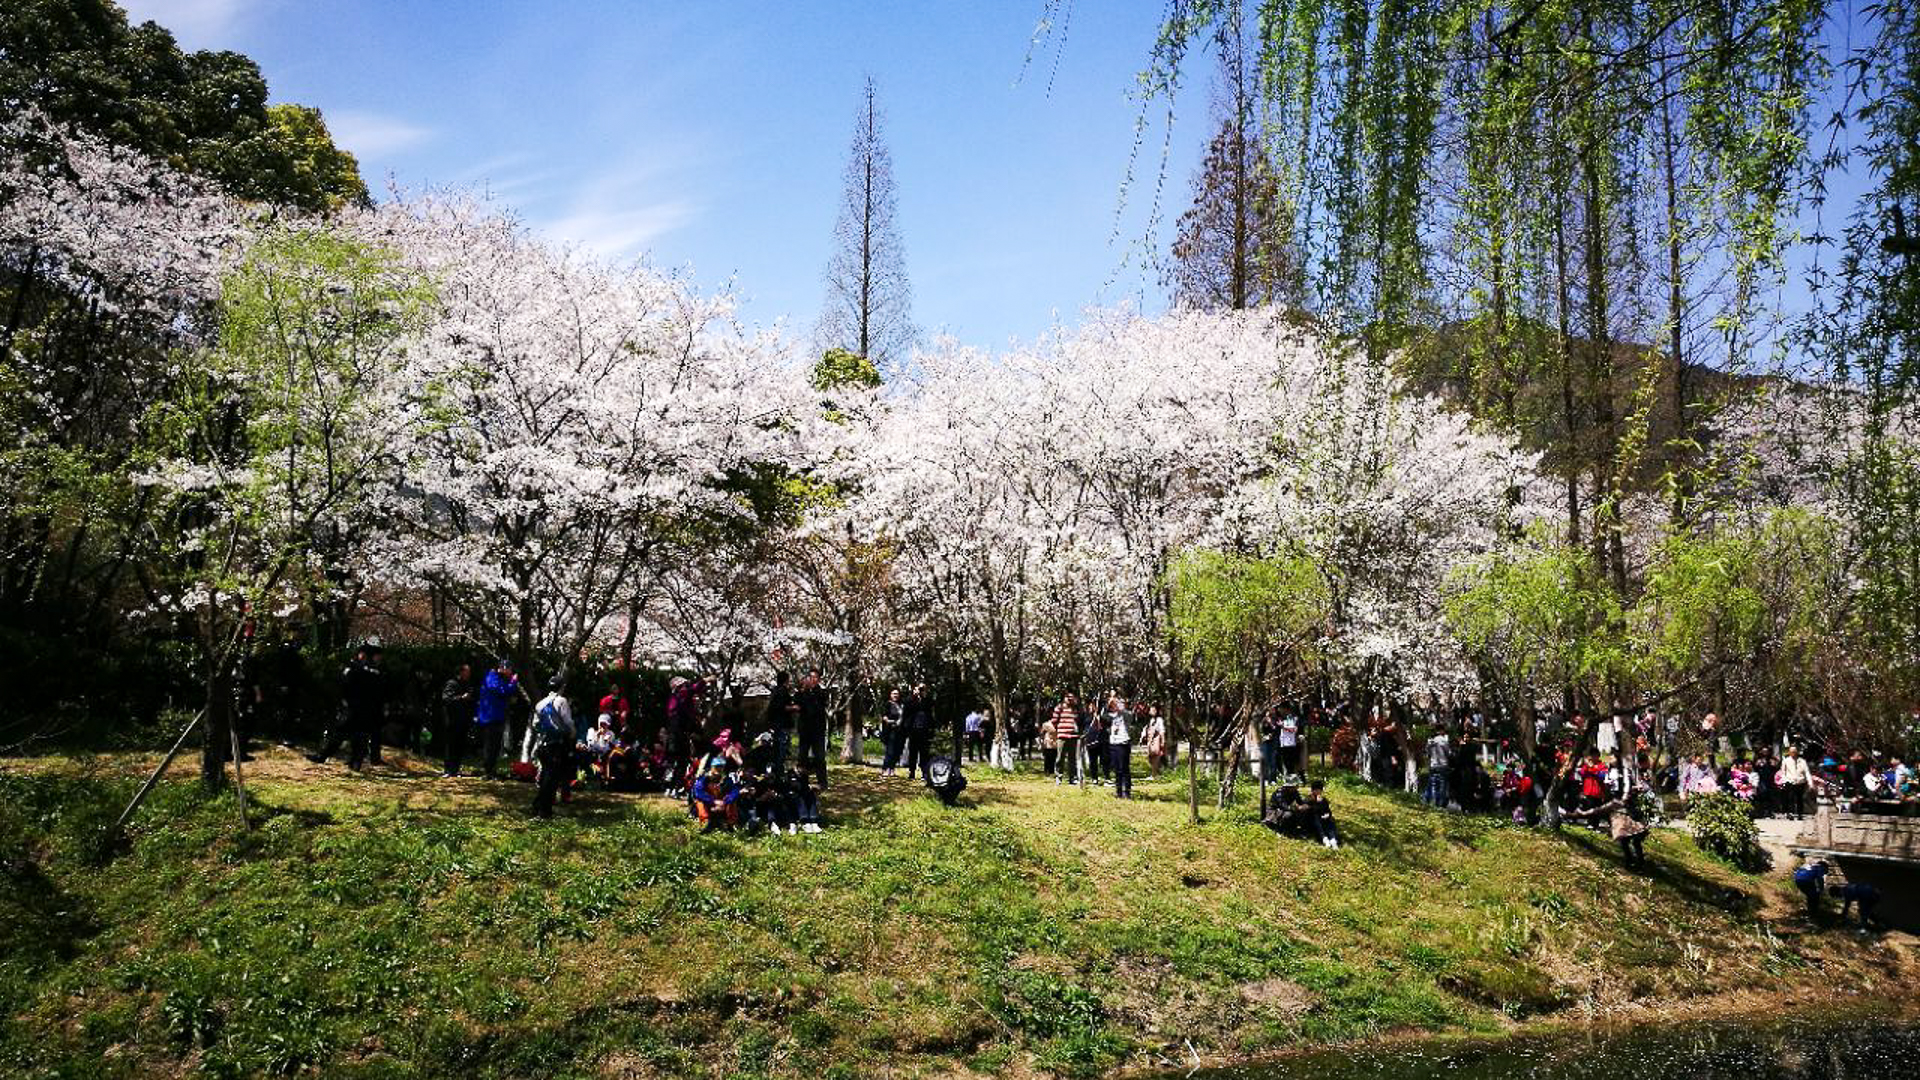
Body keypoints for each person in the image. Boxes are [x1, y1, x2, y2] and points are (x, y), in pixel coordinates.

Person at [310, 641, 387, 771]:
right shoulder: (376, 672)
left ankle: (323, 756)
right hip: (367, 709)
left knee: (342, 734)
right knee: (360, 737)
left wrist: (345, 701)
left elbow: (344, 685)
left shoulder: (356, 669)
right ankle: (355, 763)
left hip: (355, 707)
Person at [529, 675, 577, 819]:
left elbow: (535, 725)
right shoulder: (561, 701)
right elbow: (568, 722)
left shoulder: (540, 703)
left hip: (543, 744)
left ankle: (538, 805)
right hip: (557, 744)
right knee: (552, 778)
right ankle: (544, 811)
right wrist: (573, 735)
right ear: (562, 687)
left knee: (545, 776)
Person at [438, 663, 476, 778]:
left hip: (463, 720)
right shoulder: (452, 683)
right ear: (461, 672)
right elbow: (446, 699)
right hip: (452, 720)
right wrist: (461, 698)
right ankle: (448, 770)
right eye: (467, 671)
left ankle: (456, 769)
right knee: (451, 745)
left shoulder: (467, 684)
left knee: (460, 745)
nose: (469, 674)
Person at [795, 668, 830, 789]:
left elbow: (819, 706)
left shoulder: (821, 693)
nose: (813, 680)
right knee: (802, 757)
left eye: (815, 677)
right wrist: (804, 690)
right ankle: (802, 782)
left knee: (819, 757)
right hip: (804, 729)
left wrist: (810, 694)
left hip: (818, 729)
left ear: (819, 679)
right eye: (811, 677)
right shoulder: (801, 693)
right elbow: (798, 703)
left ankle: (822, 782)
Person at [766, 671, 796, 773]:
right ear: (786, 680)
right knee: (782, 749)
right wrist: (794, 707)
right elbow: (782, 707)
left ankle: (778, 769)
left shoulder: (775, 691)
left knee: (778, 748)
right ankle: (779, 770)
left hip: (777, 725)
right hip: (782, 724)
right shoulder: (782, 691)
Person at [903, 684, 933, 781]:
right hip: (913, 730)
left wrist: (924, 696)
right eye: (919, 689)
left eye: (922, 689)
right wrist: (914, 696)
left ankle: (924, 772)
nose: (920, 691)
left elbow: (930, 708)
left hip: (924, 730)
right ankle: (912, 772)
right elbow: (907, 709)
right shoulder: (910, 700)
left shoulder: (927, 700)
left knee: (924, 753)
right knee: (913, 752)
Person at [1107, 696, 1134, 799]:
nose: (1118, 705)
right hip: (1113, 743)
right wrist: (1109, 703)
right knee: (1117, 768)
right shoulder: (1113, 715)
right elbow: (1103, 715)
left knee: (1124, 768)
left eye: (1120, 703)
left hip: (1123, 743)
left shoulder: (1127, 714)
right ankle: (1118, 791)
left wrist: (1119, 707)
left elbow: (1125, 714)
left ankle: (1127, 791)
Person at [1051, 694, 1080, 784]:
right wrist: (1059, 731)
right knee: (1060, 758)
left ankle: (1072, 778)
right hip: (1062, 736)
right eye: (1068, 697)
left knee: (1072, 758)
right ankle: (1058, 777)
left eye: (1072, 697)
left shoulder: (1076, 709)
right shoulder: (1059, 708)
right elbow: (1054, 721)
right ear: (1064, 698)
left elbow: (1080, 720)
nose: (1070, 699)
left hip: (1073, 737)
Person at [1305, 779, 1340, 849]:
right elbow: (1311, 811)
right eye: (1316, 790)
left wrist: (1328, 814)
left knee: (1330, 820)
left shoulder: (1323, 800)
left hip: (1323, 819)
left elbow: (1328, 810)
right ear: (1313, 790)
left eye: (1319, 790)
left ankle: (1333, 839)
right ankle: (1324, 838)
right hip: (1312, 821)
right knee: (1317, 819)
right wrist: (1318, 803)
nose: (1318, 792)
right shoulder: (1308, 799)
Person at [1423, 727, 1452, 808]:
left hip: (1433, 765)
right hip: (1443, 765)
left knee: (1433, 784)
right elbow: (1448, 753)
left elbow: (1427, 753)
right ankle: (1440, 804)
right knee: (1442, 785)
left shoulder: (1430, 742)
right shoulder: (1443, 741)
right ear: (1442, 731)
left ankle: (1433, 802)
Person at [879, 687, 905, 776]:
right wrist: (891, 722)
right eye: (894, 694)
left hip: (900, 731)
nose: (895, 695)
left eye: (897, 694)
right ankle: (885, 769)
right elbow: (884, 717)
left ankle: (892, 769)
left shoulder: (901, 705)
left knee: (897, 751)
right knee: (890, 750)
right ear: (890, 695)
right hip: (890, 731)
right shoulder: (887, 704)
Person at [1144, 708, 1168, 780]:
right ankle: (1153, 773)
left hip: (1156, 739)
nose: (1152, 712)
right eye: (1151, 710)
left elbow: (1161, 730)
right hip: (1151, 740)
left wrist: (1163, 741)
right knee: (1151, 757)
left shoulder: (1159, 720)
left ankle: (1155, 774)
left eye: (1154, 710)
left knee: (1156, 756)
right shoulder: (1151, 720)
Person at [1040, 710, 1060, 781]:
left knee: (1054, 758)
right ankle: (1047, 771)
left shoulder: (1058, 724)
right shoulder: (1046, 724)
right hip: (1048, 743)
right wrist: (1042, 742)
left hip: (1055, 743)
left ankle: (1052, 771)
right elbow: (1041, 733)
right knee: (1047, 758)